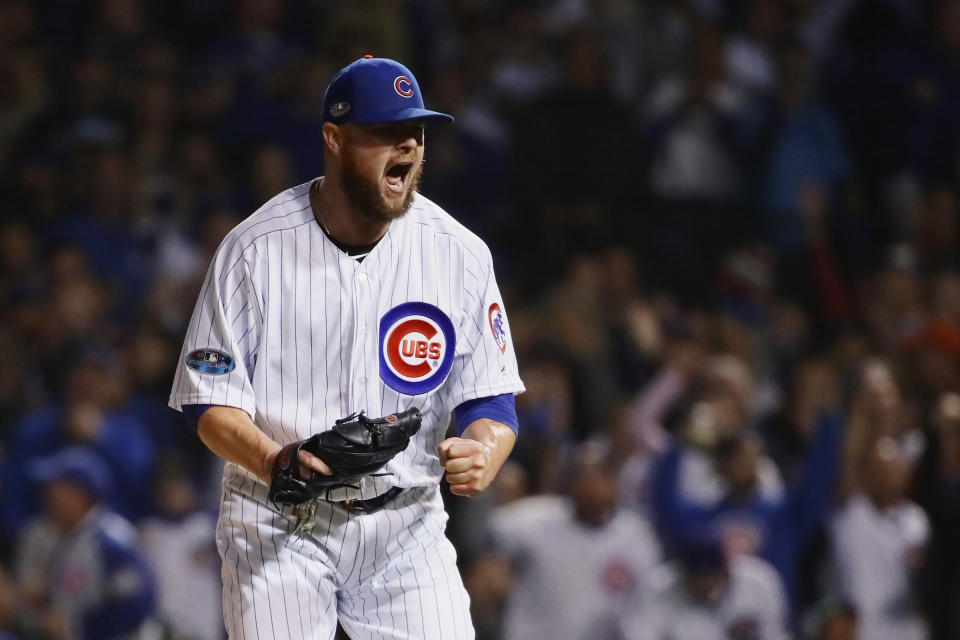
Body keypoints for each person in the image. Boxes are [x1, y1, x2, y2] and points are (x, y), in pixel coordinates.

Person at [168, 56, 525, 639]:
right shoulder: (253, 250)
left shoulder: (458, 253)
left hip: (405, 529)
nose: (407, 145)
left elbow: (492, 401)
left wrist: (485, 450)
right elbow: (207, 404)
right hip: (278, 518)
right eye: (386, 132)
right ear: (333, 138)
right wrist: (273, 461)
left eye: (416, 131)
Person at [487, 442, 662, 640]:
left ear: (615, 484)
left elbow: (644, 609)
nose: (594, 488)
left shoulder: (637, 537)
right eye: (586, 477)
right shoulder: (533, 520)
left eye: (602, 477)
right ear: (572, 483)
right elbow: (484, 540)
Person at [15, 448, 158, 640]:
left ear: (79, 495)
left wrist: (77, 624)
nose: (47, 497)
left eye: (55, 489)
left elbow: (136, 604)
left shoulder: (110, 539)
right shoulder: (73, 537)